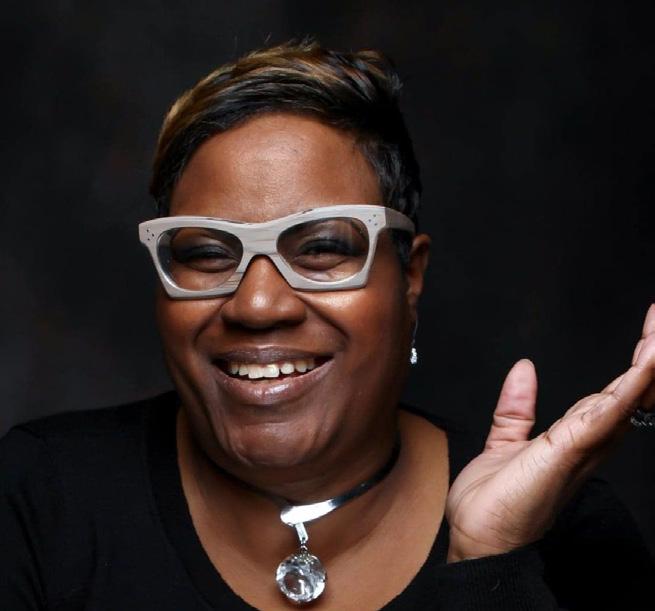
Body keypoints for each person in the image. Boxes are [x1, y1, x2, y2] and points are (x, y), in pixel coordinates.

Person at [1, 40, 654, 610]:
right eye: (207, 253)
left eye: (321, 248)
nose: (258, 305)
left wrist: (489, 563)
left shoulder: (566, 529)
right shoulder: (41, 499)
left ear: (409, 277)